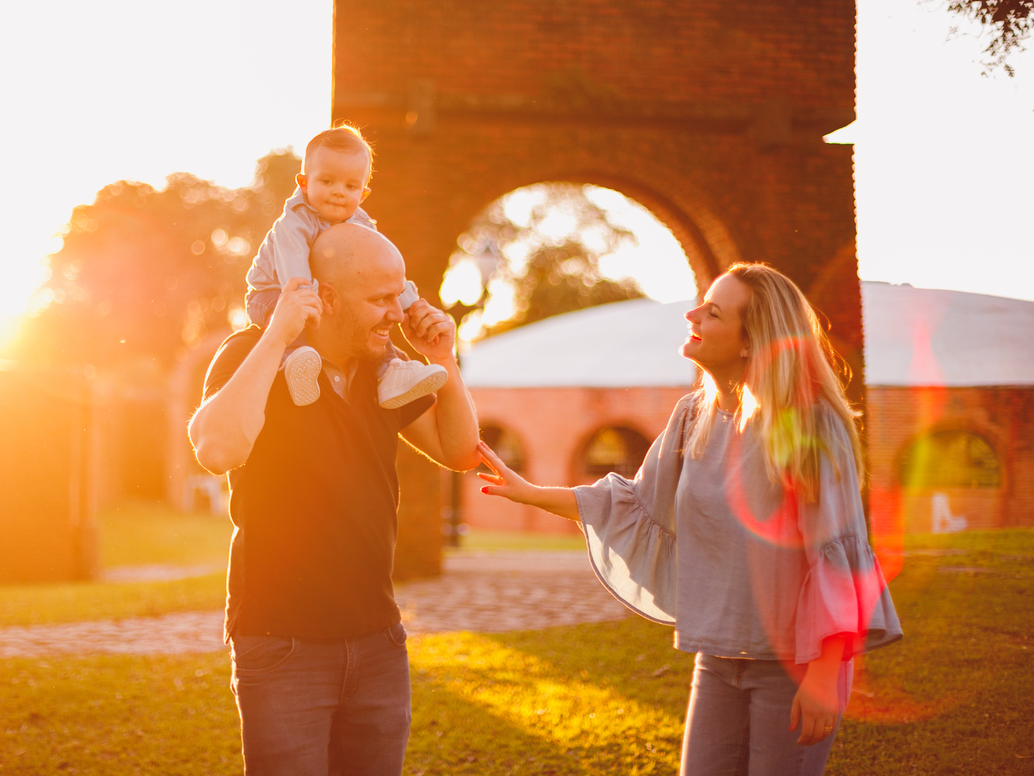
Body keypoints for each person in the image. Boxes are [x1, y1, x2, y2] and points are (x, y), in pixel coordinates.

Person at [477, 262, 902, 776]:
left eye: (714, 312)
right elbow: (633, 502)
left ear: (751, 341)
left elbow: (838, 550)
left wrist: (825, 675)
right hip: (717, 658)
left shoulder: (810, 424)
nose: (692, 314)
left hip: (795, 665)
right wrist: (529, 494)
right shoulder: (692, 417)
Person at [189, 223, 481, 776]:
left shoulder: (386, 371)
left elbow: (460, 451)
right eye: (380, 299)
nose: (397, 312)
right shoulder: (251, 352)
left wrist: (443, 358)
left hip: (379, 640)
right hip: (281, 643)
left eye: (399, 295)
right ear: (325, 296)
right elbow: (217, 449)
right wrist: (278, 336)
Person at [244, 125, 447, 409]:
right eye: (327, 181)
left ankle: (389, 371)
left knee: (370, 315)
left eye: (350, 186)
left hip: (324, 297)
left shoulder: (361, 225)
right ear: (304, 182)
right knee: (291, 316)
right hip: (274, 293)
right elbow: (295, 277)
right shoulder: (292, 224)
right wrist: (313, 303)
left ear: (363, 194)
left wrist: (411, 306)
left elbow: (380, 273)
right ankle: (294, 360)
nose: (339, 192)